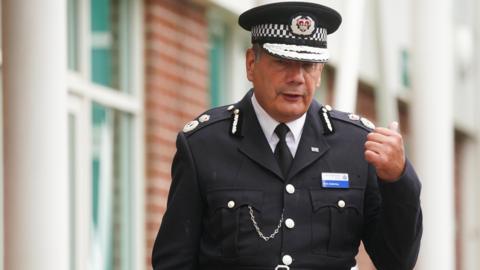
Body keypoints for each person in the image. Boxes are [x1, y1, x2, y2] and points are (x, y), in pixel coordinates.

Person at [151, 2, 422, 270]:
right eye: (282, 62)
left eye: (308, 65)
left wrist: (398, 179)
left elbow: (397, 261)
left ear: (319, 73)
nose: (297, 77)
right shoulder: (205, 144)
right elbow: (174, 261)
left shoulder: (356, 144)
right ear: (250, 64)